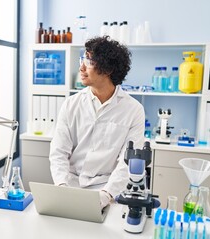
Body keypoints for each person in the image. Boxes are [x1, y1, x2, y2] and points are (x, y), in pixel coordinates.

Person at [49, 36, 145, 208]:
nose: (81, 67)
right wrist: (62, 187)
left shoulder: (133, 110)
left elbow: (128, 162)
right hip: (70, 186)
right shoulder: (71, 104)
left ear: (107, 69)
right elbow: (58, 153)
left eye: (89, 61)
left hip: (108, 190)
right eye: (82, 59)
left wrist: (106, 195)